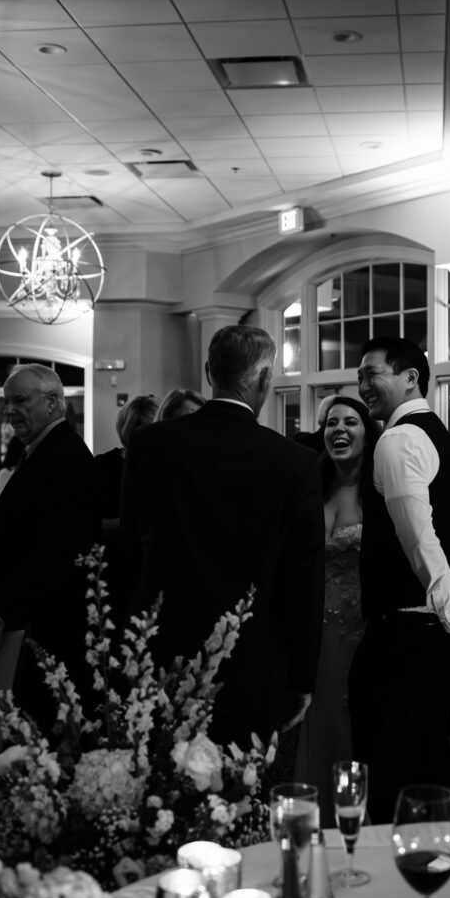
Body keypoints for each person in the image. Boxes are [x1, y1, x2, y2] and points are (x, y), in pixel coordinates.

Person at [121, 325, 325, 749]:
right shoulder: (295, 463)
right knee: (236, 790)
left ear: (209, 370)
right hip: (251, 661)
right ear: (266, 380)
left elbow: (131, 551)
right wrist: (301, 677)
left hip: (161, 652)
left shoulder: (150, 445)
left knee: (159, 788)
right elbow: (301, 581)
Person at [349, 337, 450, 822]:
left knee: (392, 765)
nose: (364, 384)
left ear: (410, 377)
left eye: (374, 373)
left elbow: (423, 542)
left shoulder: (398, 440)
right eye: (361, 376)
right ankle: (440, 864)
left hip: (405, 636)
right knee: (430, 754)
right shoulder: (443, 439)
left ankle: (400, 876)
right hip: (433, 634)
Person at [0, 364, 100, 736]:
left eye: (20, 400)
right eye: (7, 401)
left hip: (41, 630)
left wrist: (1, 606)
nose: (9, 411)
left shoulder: (66, 458)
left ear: (55, 402)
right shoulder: (41, 451)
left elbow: (61, 550)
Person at [294, 396, 379, 826]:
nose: (339, 430)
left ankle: (354, 821)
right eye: (330, 423)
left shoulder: (379, 494)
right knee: (318, 719)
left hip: (360, 631)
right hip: (314, 630)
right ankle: (319, 821)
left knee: (350, 723)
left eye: (350, 422)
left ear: (367, 432)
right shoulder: (312, 487)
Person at [94, 394, 160, 623]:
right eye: (137, 430)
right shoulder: (104, 467)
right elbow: (88, 524)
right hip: (115, 569)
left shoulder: (165, 469)